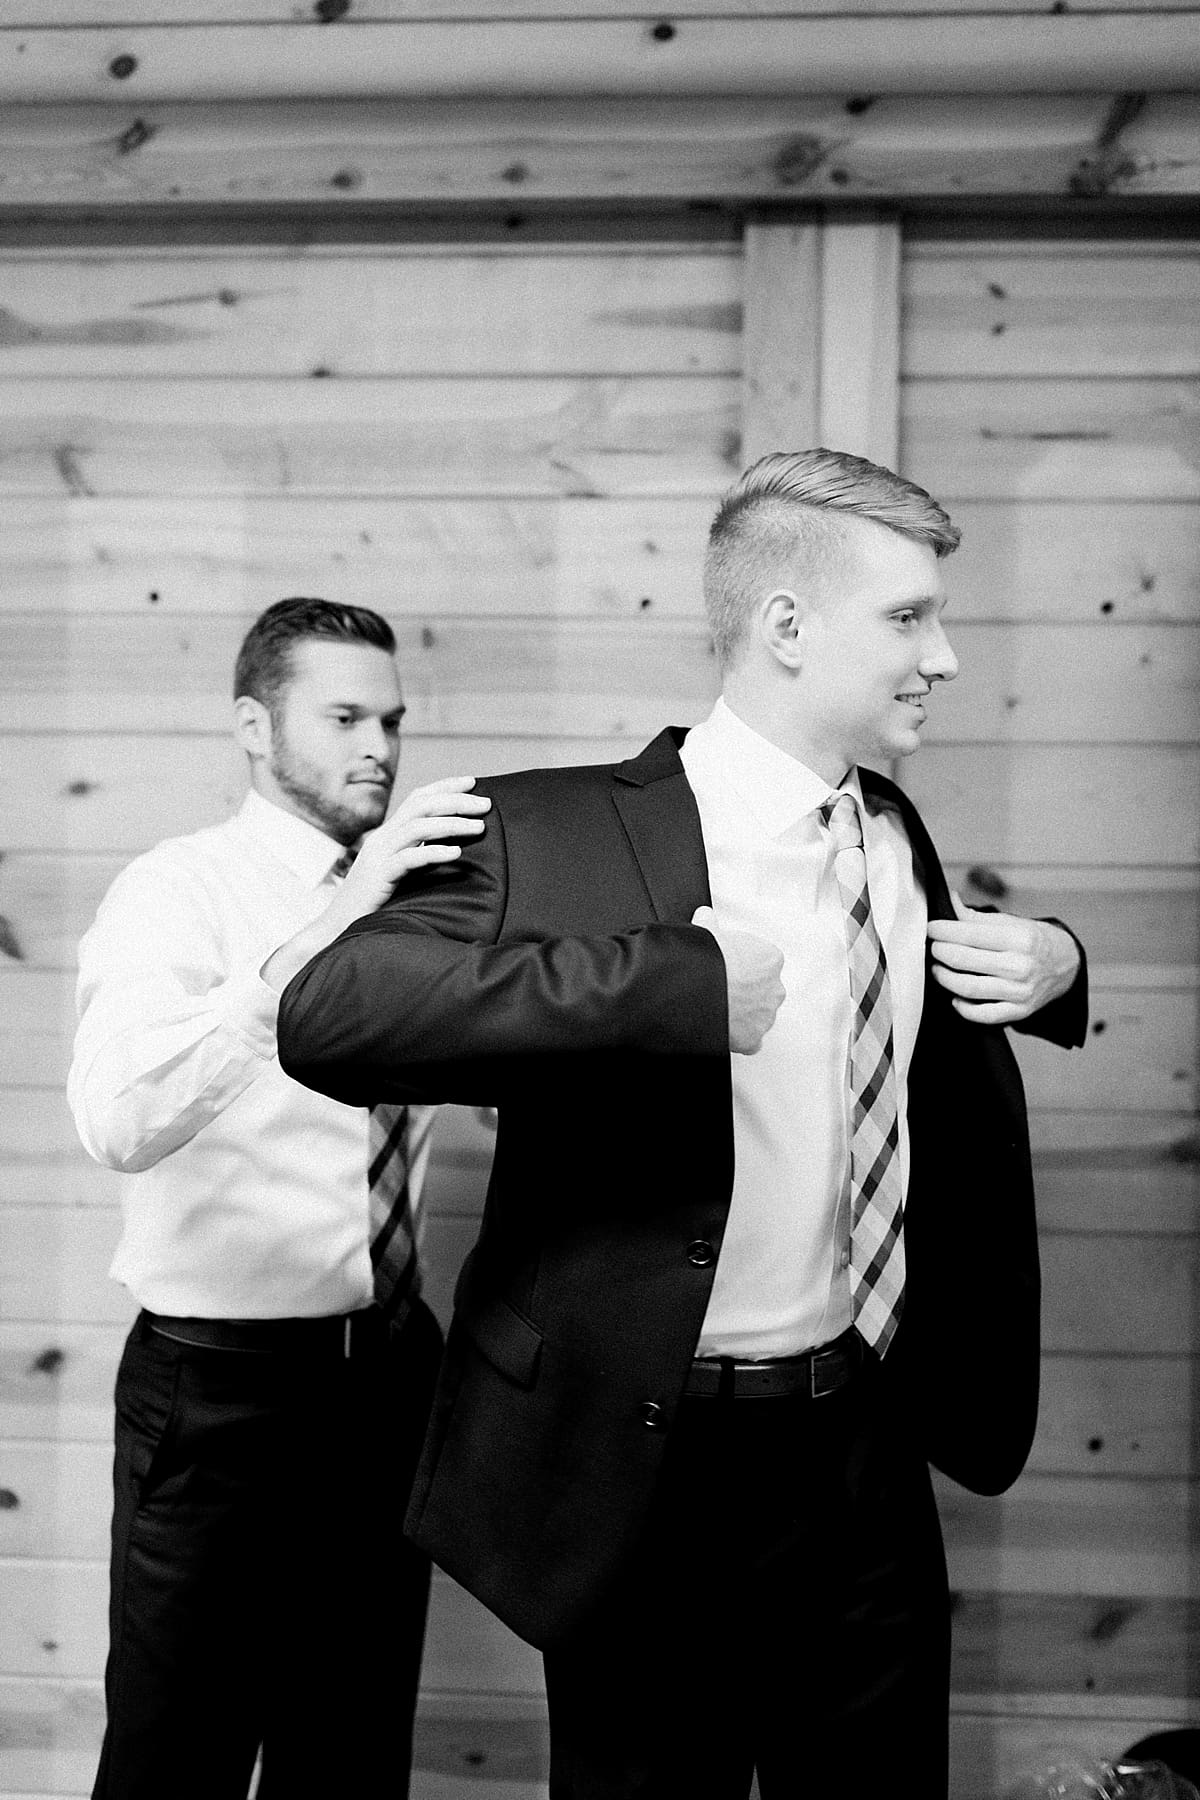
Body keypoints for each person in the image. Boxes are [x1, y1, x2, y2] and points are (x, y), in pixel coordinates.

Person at [275, 453, 1088, 1800]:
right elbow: (330, 1016)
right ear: (785, 625)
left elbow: (919, 1045)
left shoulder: (892, 832)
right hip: (643, 1471)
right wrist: (675, 983)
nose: (943, 656)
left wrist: (1059, 967)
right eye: (909, 617)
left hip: (862, 1454)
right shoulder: (545, 829)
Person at [67, 597, 490, 1800]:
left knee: (349, 1761)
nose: (380, 748)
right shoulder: (176, 890)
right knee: (174, 1764)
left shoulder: (425, 896)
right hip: (221, 1396)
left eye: (391, 721)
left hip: (391, 1381)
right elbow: (117, 1119)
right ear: (254, 727)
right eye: (345, 718)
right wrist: (325, 935)